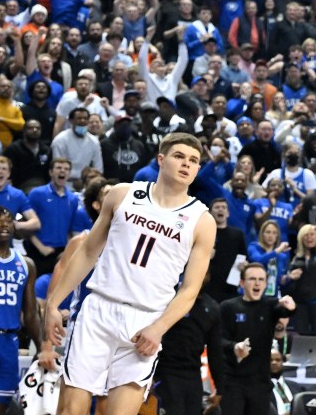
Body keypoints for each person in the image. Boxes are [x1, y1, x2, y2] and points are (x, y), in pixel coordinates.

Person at [43, 133, 215, 415]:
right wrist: (53, 304)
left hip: (145, 321)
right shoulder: (123, 194)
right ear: (161, 160)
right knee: (70, 410)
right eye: (179, 156)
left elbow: (190, 290)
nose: (187, 164)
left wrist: (159, 329)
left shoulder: (202, 221)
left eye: (194, 161)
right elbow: (87, 252)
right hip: (99, 310)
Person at [218, 262, 297, 415]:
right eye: (252, 279)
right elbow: (218, 340)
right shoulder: (228, 307)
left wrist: (292, 307)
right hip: (233, 381)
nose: (257, 283)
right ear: (242, 283)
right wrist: (234, 346)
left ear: (266, 284)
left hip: (260, 383)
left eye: (261, 279)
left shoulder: (269, 305)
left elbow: (286, 311)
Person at [154, 277, 226, 415]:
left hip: (193, 376)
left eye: (205, 272)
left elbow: (215, 351)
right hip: (165, 371)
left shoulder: (211, 307)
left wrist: (219, 387)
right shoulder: (168, 298)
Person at [0, 206, 40, 414]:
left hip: (9, 342)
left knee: (3, 406)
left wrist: (42, 346)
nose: (3, 224)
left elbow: (31, 313)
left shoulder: (26, 264)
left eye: (8, 220)